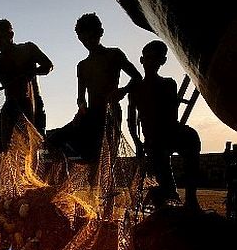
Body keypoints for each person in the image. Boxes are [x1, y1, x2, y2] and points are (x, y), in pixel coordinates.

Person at [128, 40, 201, 210]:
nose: (151, 62)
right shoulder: (136, 88)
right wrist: (137, 142)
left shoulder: (168, 83)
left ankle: (191, 199)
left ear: (162, 61)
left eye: (156, 58)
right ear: (141, 59)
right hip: (153, 140)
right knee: (163, 183)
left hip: (168, 134)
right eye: (148, 58)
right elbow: (131, 120)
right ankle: (163, 195)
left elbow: (171, 116)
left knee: (191, 138)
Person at [73, 13, 141, 161]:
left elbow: (137, 77)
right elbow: (80, 97)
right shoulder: (82, 66)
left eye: (91, 37)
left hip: (112, 113)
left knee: (109, 157)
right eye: (83, 39)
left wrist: (123, 90)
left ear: (100, 33)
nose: (87, 42)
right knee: (91, 157)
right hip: (92, 114)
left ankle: (109, 183)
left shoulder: (114, 54)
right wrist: (81, 108)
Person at [0, 19, 53, 149]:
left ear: (11, 35)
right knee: (7, 148)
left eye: (3, 37)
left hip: (32, 106)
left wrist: (32, 72)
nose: (0, 42)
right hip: (11, 109)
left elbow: (48, 65)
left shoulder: (28, 49)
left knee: (34, 146)